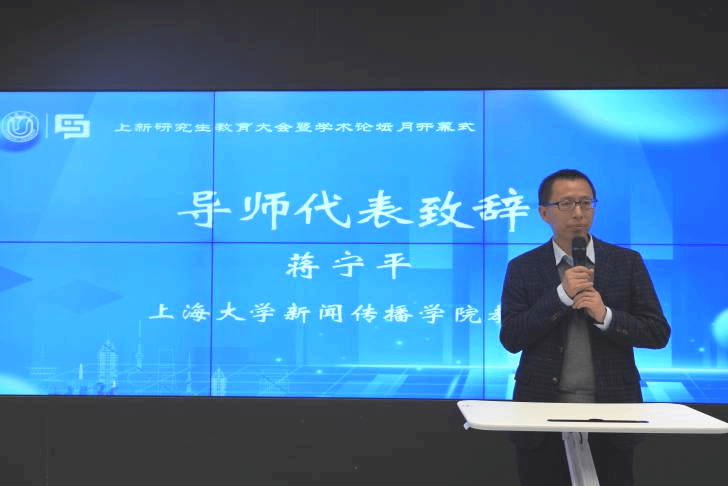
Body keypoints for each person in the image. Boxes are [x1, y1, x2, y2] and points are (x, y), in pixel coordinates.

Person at [499, 169, 671, 486]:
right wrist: (560, 297)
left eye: (586, 202)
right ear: (544, 213)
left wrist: (606, 315)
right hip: (541, 412)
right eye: (566, 204)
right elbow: (511, 337)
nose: (578, 212)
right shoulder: (523, 267)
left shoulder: (626, 262)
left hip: (613, 412)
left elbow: (657, 332)